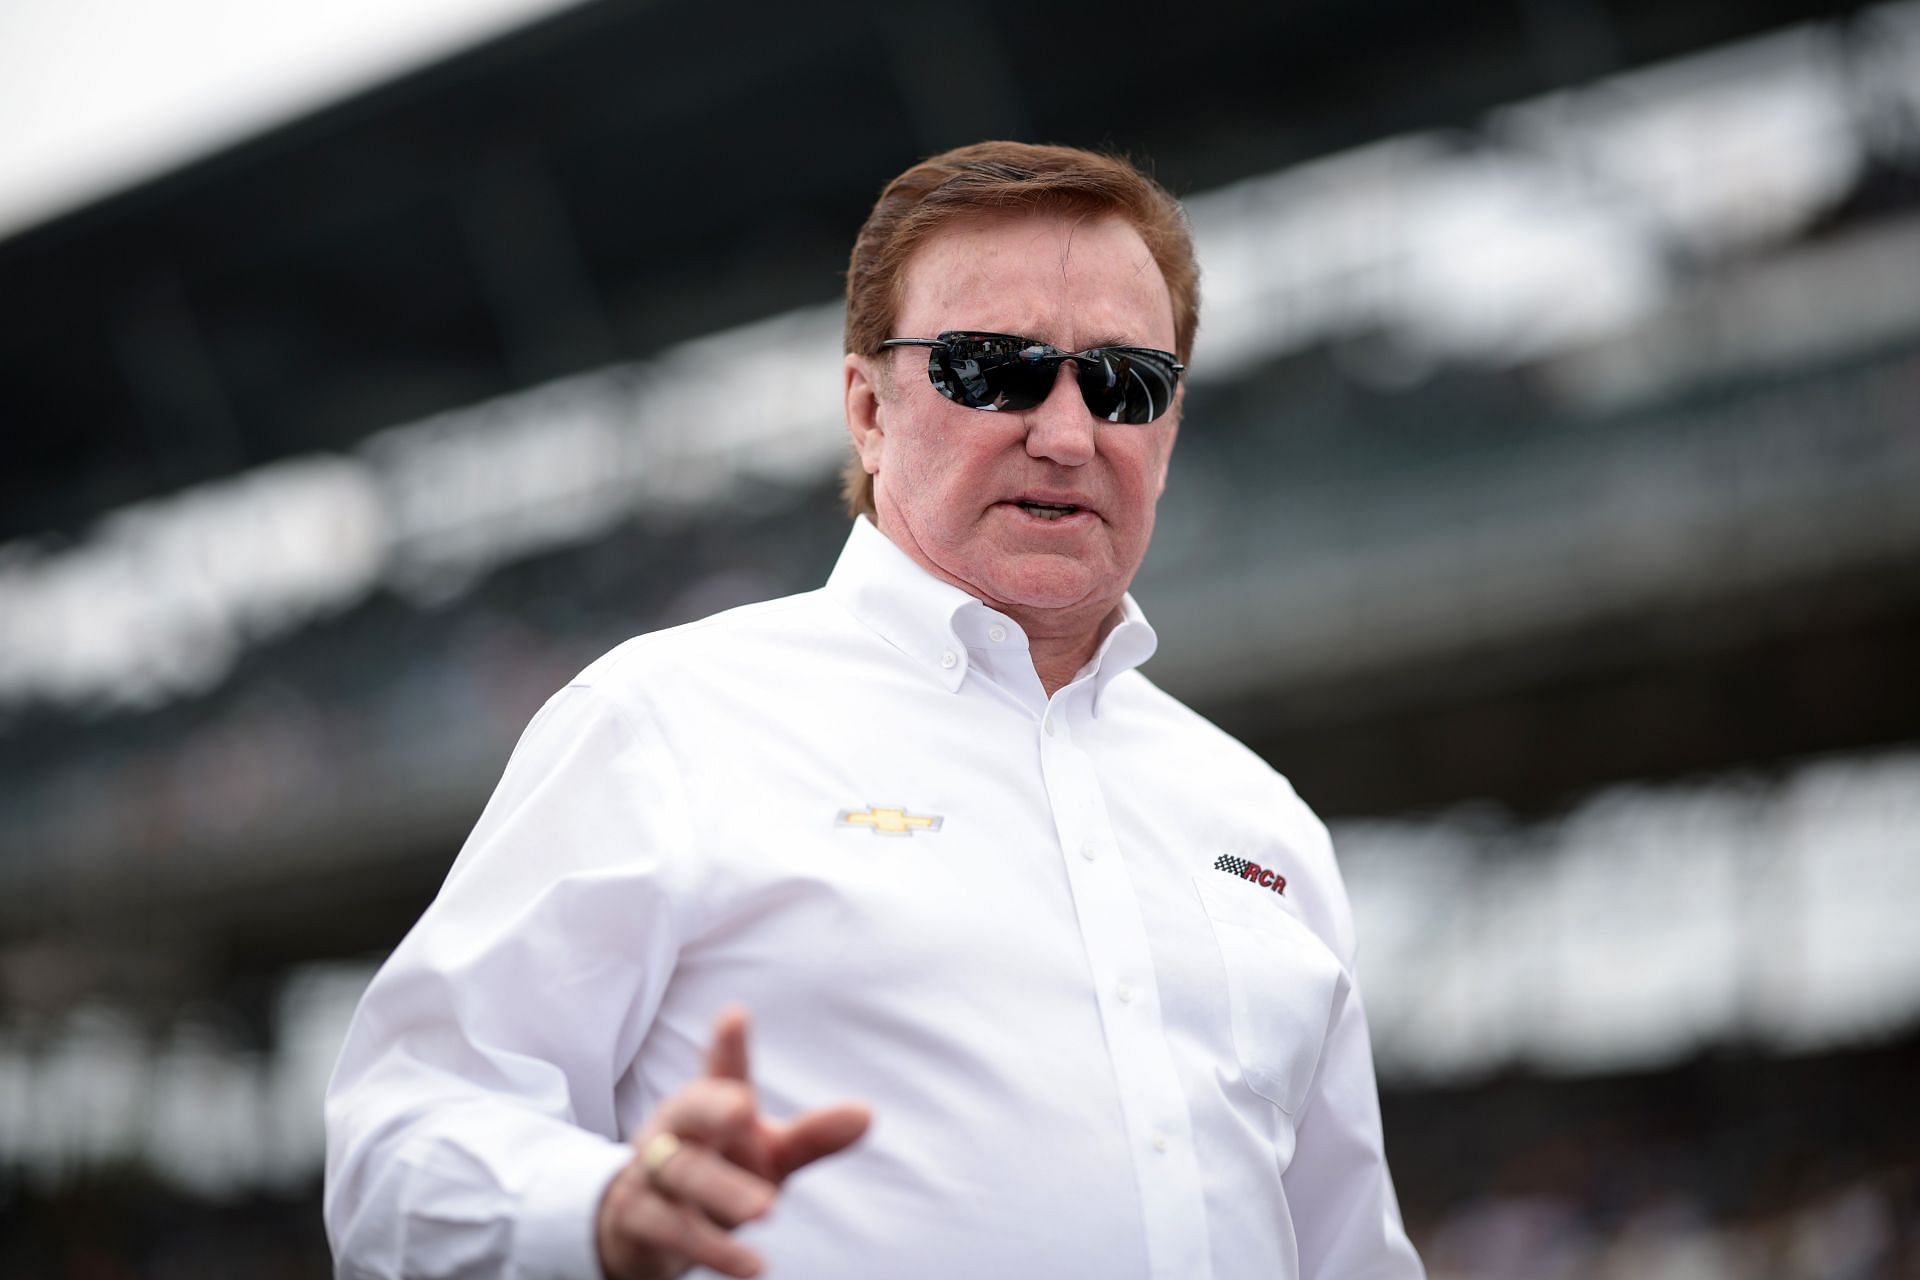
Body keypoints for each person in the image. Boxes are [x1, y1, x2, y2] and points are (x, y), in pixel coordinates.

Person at [324, 140, 1423, 1280]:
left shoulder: (1263, 819)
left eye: (1123, 383)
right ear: (867, 409)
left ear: (1170, 426)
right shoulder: (663, 721)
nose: (1065, 430)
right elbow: (398, 1144)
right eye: (993, 369)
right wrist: (603, 1207)